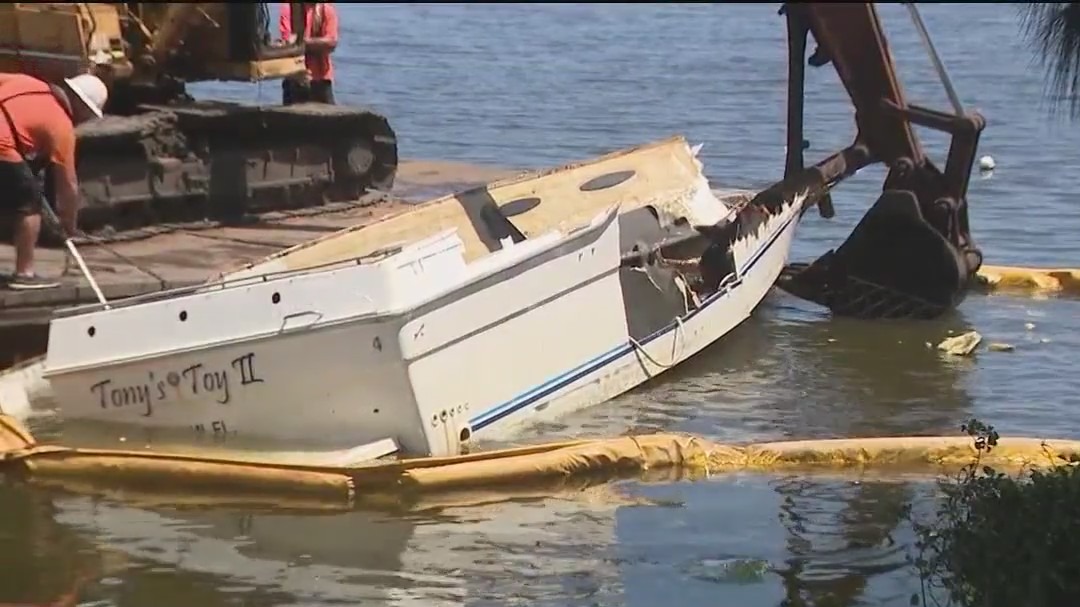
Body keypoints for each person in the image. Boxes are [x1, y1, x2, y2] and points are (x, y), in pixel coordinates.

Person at [0, 72, 107, 290]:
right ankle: (24, 274)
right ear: (80, 106)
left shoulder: (27, 82)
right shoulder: (62, 127)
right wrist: (69, 225)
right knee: (29, 204)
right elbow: (67, 186)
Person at [279, 2, 340, 105]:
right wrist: (317, 44)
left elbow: (331, 43)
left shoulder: (326, 9)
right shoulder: (288, 8)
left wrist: (301, 42)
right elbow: (289, 45)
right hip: (294, 79)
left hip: (321, 80)